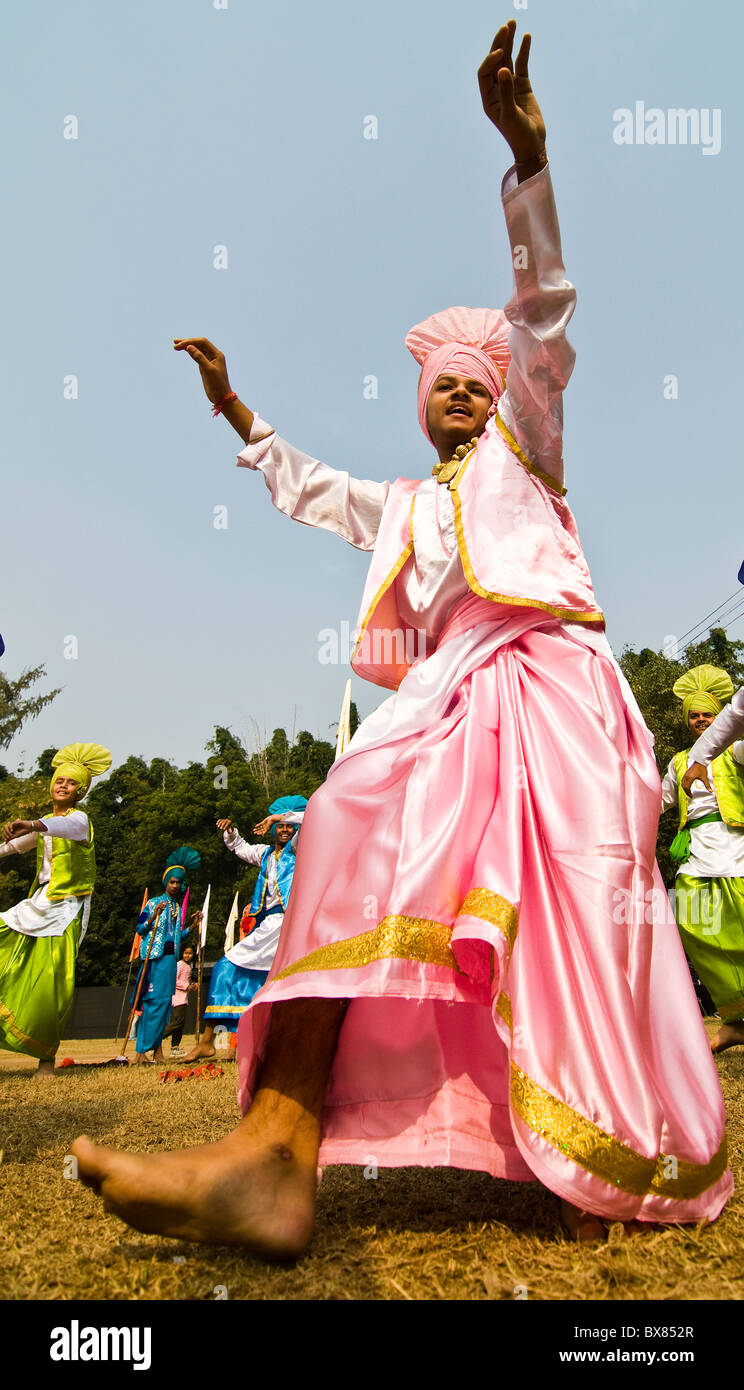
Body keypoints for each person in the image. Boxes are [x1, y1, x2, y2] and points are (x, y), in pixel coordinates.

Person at [72, 21, 731, 1252]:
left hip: (557, 687)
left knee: (573, 916)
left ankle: (581, 1145)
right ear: (420, 404)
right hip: (450, 694)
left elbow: (544, 311)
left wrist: (529, 171)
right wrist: (240, 410)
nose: (470, 387)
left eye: (486, 376)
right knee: (343, 811)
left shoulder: (531, 449)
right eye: (448, 381)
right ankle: (274, 1151)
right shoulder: (408, 504)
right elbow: (313, 489)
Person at [0, 742, 112, 1075]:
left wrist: (33, 824)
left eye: (72, 783)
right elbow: (13, 846)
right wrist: (27, 830)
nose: (63, 785)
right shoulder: (46, 822)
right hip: (39, 902)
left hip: (67, 909)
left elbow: (62, 828)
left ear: (80, 792)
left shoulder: (79, 820)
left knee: (51, 984)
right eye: (59, 780)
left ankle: (45, 1061)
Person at [182, 798, 306, 1063]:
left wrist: (275, 817)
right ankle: (209, 1042)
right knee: (228, 970)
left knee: (236, 970)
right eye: (279, 826)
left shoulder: (299, 850)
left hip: (290, 924)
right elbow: (239, 847)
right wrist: (230, 830)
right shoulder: (263, 853)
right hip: (269, 926)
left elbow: (312, 818)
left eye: (288, 826)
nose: (284, 830)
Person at [661, 665, 744, 1054]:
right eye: (694, 715)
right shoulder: (679, 763)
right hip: (694, 851)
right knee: (690, 918)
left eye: (707, 715)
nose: (700, 721)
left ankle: (733, 1024)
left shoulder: (733, 752)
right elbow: (654, 801)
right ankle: (734, 1017)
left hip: (735, 844)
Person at [134, 847, 201, 1064]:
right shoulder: (154, 902)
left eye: (178, 883)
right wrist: (153, 915)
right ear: (166, 882)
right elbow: (140, 929)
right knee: (151, 1002)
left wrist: (192, 925)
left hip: (171, 962)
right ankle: (141, 1052)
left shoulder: (177, 907)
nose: (175, 886)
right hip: (154, 959)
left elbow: (178, 936)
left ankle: (157, 1051)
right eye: (172, 882)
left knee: (164, 1005)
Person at [163, 944, 197, 1056]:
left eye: (190, 953)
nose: (188, 955)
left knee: (180, 1025)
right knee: (176, 1023)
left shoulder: (189, 966)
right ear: (182, 953)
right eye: (186, 953)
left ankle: (175, 1047)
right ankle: (158, 1036)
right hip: (177, 998)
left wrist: (193, 985)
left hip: (184, 998)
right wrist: (187, 986)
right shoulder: (179, 965)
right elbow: (173, 980)